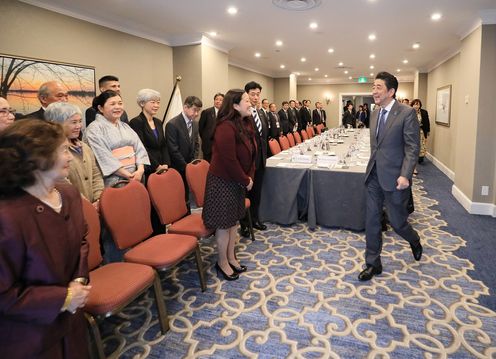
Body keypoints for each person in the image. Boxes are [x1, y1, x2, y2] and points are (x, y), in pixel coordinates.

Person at [0, 119, 91, 358]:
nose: (70, 156)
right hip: (31, 335)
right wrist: (63, 298)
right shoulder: (7, 216)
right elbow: (4, 294)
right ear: (36, 160)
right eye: (62, 150)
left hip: (72, 322)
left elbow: (82, 239)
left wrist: (79, 281)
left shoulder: (69, 194)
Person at [359, 71, 422, 281]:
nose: (374, 91)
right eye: (373, 87)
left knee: (397, 222)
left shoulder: (406, 113)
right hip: (374, 176)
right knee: (372, 221)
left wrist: (405, 175)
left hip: (396, 178)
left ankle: (413, 239)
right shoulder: (375, 112)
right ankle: (372, 264)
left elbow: (413, 148)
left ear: (391, 91)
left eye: (378, 87)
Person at [202, 89, 256, 280]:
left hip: (237, 181)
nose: (251, 103)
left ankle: (231, 257)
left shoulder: (244, 122)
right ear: (234, 105)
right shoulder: (225, 126)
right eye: (247, 100)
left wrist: (249, 176)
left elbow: (252, 152)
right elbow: (228, 160)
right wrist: (245, 179)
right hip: (223, 182)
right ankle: (222, 262)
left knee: (233, 223)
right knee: (224, 226)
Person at [84, 90, 150, 187]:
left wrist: (140, 170)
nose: (117, 107)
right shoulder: (94, 129)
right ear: (100, 108)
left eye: (120, 103)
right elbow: (103, 156)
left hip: (136, 176)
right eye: (112, 104)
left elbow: (140, 149)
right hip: (114, 179)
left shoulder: (125, 126)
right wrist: (128, 175)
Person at [45, 102, 104, 206]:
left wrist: (99, 200)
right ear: (56, 124)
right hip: (72, 206)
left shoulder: (84, 147)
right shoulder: (51, 152)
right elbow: (63, 183)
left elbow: (96, 174)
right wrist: (87, 206)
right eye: (74, 122)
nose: (79, 126)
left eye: (80, 121)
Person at [239, 81, 269, 238]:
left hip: (261, 160)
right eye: (252, 94)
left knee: (257, 192)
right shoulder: (243, 115)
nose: (256, 97)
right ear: (246, 95)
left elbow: (264, 137)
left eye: (258, 94)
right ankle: (244, 224)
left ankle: (255, 219)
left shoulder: (261, 113)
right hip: (248, 162)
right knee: (246, 194)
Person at [129, 88, 170, 181]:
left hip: (162, 166)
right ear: (142, 103)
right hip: (148, 167)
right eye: (152, 102)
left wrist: (166, 164)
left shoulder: (158, 122)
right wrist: (157, 166)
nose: (156, 105)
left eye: (158, 102)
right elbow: (141, 148)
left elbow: (164, 145)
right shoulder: (136, 122)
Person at [165, 96, 201, 192]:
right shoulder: (172, 124)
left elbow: (196, 144)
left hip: (190, 166)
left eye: (199, 111)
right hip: (178, 167)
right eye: (194, 110)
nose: (197, 114)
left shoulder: (195, 124)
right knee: (179, 194)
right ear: (185, 107)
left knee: (190, 193)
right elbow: (173, 150)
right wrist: (186, 166)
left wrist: (193, 163)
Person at [199, 92, 224, 162]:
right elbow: (201, 129)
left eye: (221, 100)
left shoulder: (225, 114)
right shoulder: (206, 112)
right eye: (216, 99)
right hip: (208, 147)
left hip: (220, 147)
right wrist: (206, 138)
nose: (218, 101)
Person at [411, 99, 430, 164]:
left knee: (422, 145)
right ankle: (412, 158)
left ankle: (420, 158)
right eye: (415, 104)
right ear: (412, 105)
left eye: (418, 104)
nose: (416, 106)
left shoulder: (424, 112)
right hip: (411, 132)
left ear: (420, 105)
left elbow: (427, 122)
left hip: (421, 131)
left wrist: (427, 131)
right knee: (413, 146)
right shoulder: (409, 112)